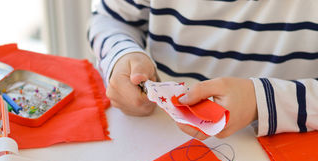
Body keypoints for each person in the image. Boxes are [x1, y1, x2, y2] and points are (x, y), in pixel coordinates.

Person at [87, 0, 318, 140]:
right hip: (159, 136)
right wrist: (122, 55)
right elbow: (111, 19)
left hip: (286, 148)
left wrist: (263, 102)